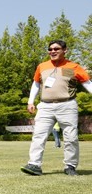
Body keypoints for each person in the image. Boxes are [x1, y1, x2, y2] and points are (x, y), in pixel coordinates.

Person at [21, 39, 92, 176]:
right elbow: (36, 84)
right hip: (45, 106)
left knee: (71, 137)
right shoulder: (42, 66)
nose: (52, 51)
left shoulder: (74, 67)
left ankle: (70, 166)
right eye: (50, 49)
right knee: (38, 135)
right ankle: (34, 165)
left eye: (56, 49)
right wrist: (30, 102)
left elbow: (87, 83)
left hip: (67, 105)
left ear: (65, 50)